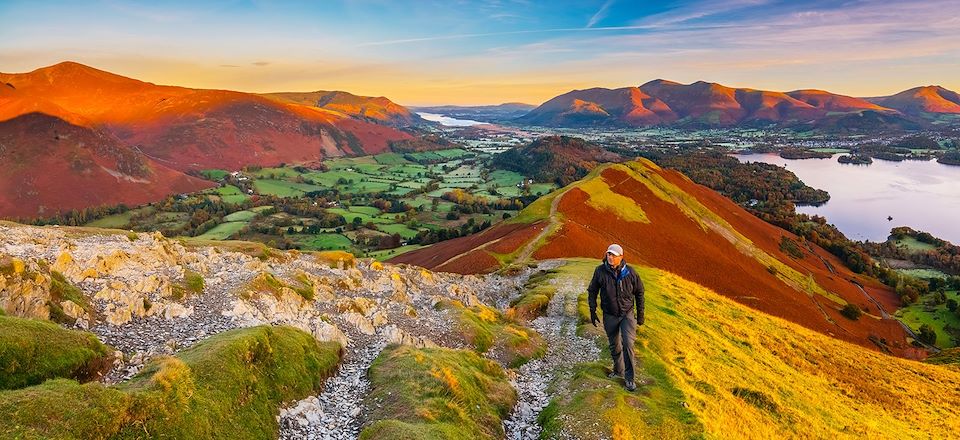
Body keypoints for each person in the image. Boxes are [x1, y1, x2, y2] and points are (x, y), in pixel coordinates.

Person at [587, 243, 645, 392]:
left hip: (627, 314)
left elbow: (639, 292)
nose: (610, 257)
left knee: (628, 344)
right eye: (608, 254)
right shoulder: (600, 271)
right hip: (609, 315)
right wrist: (592, 311)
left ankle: (629, 379)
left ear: (621, 257)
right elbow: (592, 290)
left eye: (613, 255)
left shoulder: (630, 273)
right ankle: (618, 370)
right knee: (615, 346)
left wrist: (640, 314)